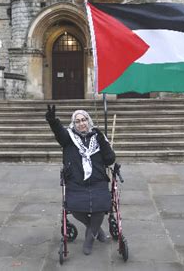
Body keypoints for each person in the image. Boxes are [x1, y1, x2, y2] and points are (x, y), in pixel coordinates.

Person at [46, 104, 116, 255]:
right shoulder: (68, 138)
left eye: (84, 119)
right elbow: (60, 133)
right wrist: (53, 121)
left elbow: (110, 160)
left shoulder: (98, 137)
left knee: (100, 208)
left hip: (98, 181)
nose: (81, 123)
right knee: (76, 209)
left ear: (88, 121)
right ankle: (96, 229)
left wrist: (103, 141)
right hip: (76, 182)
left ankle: (90, 238)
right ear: (74, 123)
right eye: (77, 121)